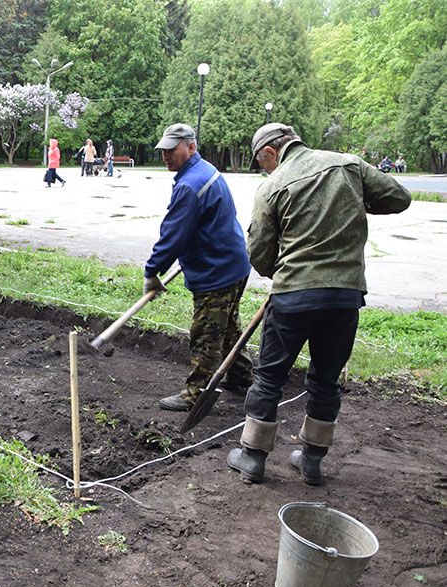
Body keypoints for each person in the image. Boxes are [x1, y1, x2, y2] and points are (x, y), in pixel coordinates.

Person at [227, 123, 411, 485]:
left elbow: (260, 252)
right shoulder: (349, 165)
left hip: (294, 296)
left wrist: (280, 274)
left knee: (269, 377)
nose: (264, 169)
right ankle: (311, 460)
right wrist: (356, 201)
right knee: (325, 382)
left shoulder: (273, 186)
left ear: (269, 152)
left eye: (260, 162)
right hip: (344, 297)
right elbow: (399, 198)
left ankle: (252, 457)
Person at [144, 123, 253, 412]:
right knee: (227, 327)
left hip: (216, 271)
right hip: (234, 263)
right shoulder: (206, 171)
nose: (166, 156)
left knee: (206, 333)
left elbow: (173, 236)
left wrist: (152, 271)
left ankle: (196, 392)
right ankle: (242, 376)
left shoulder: (190, 185)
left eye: (172, 150)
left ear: (190, 147)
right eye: (163, 151)